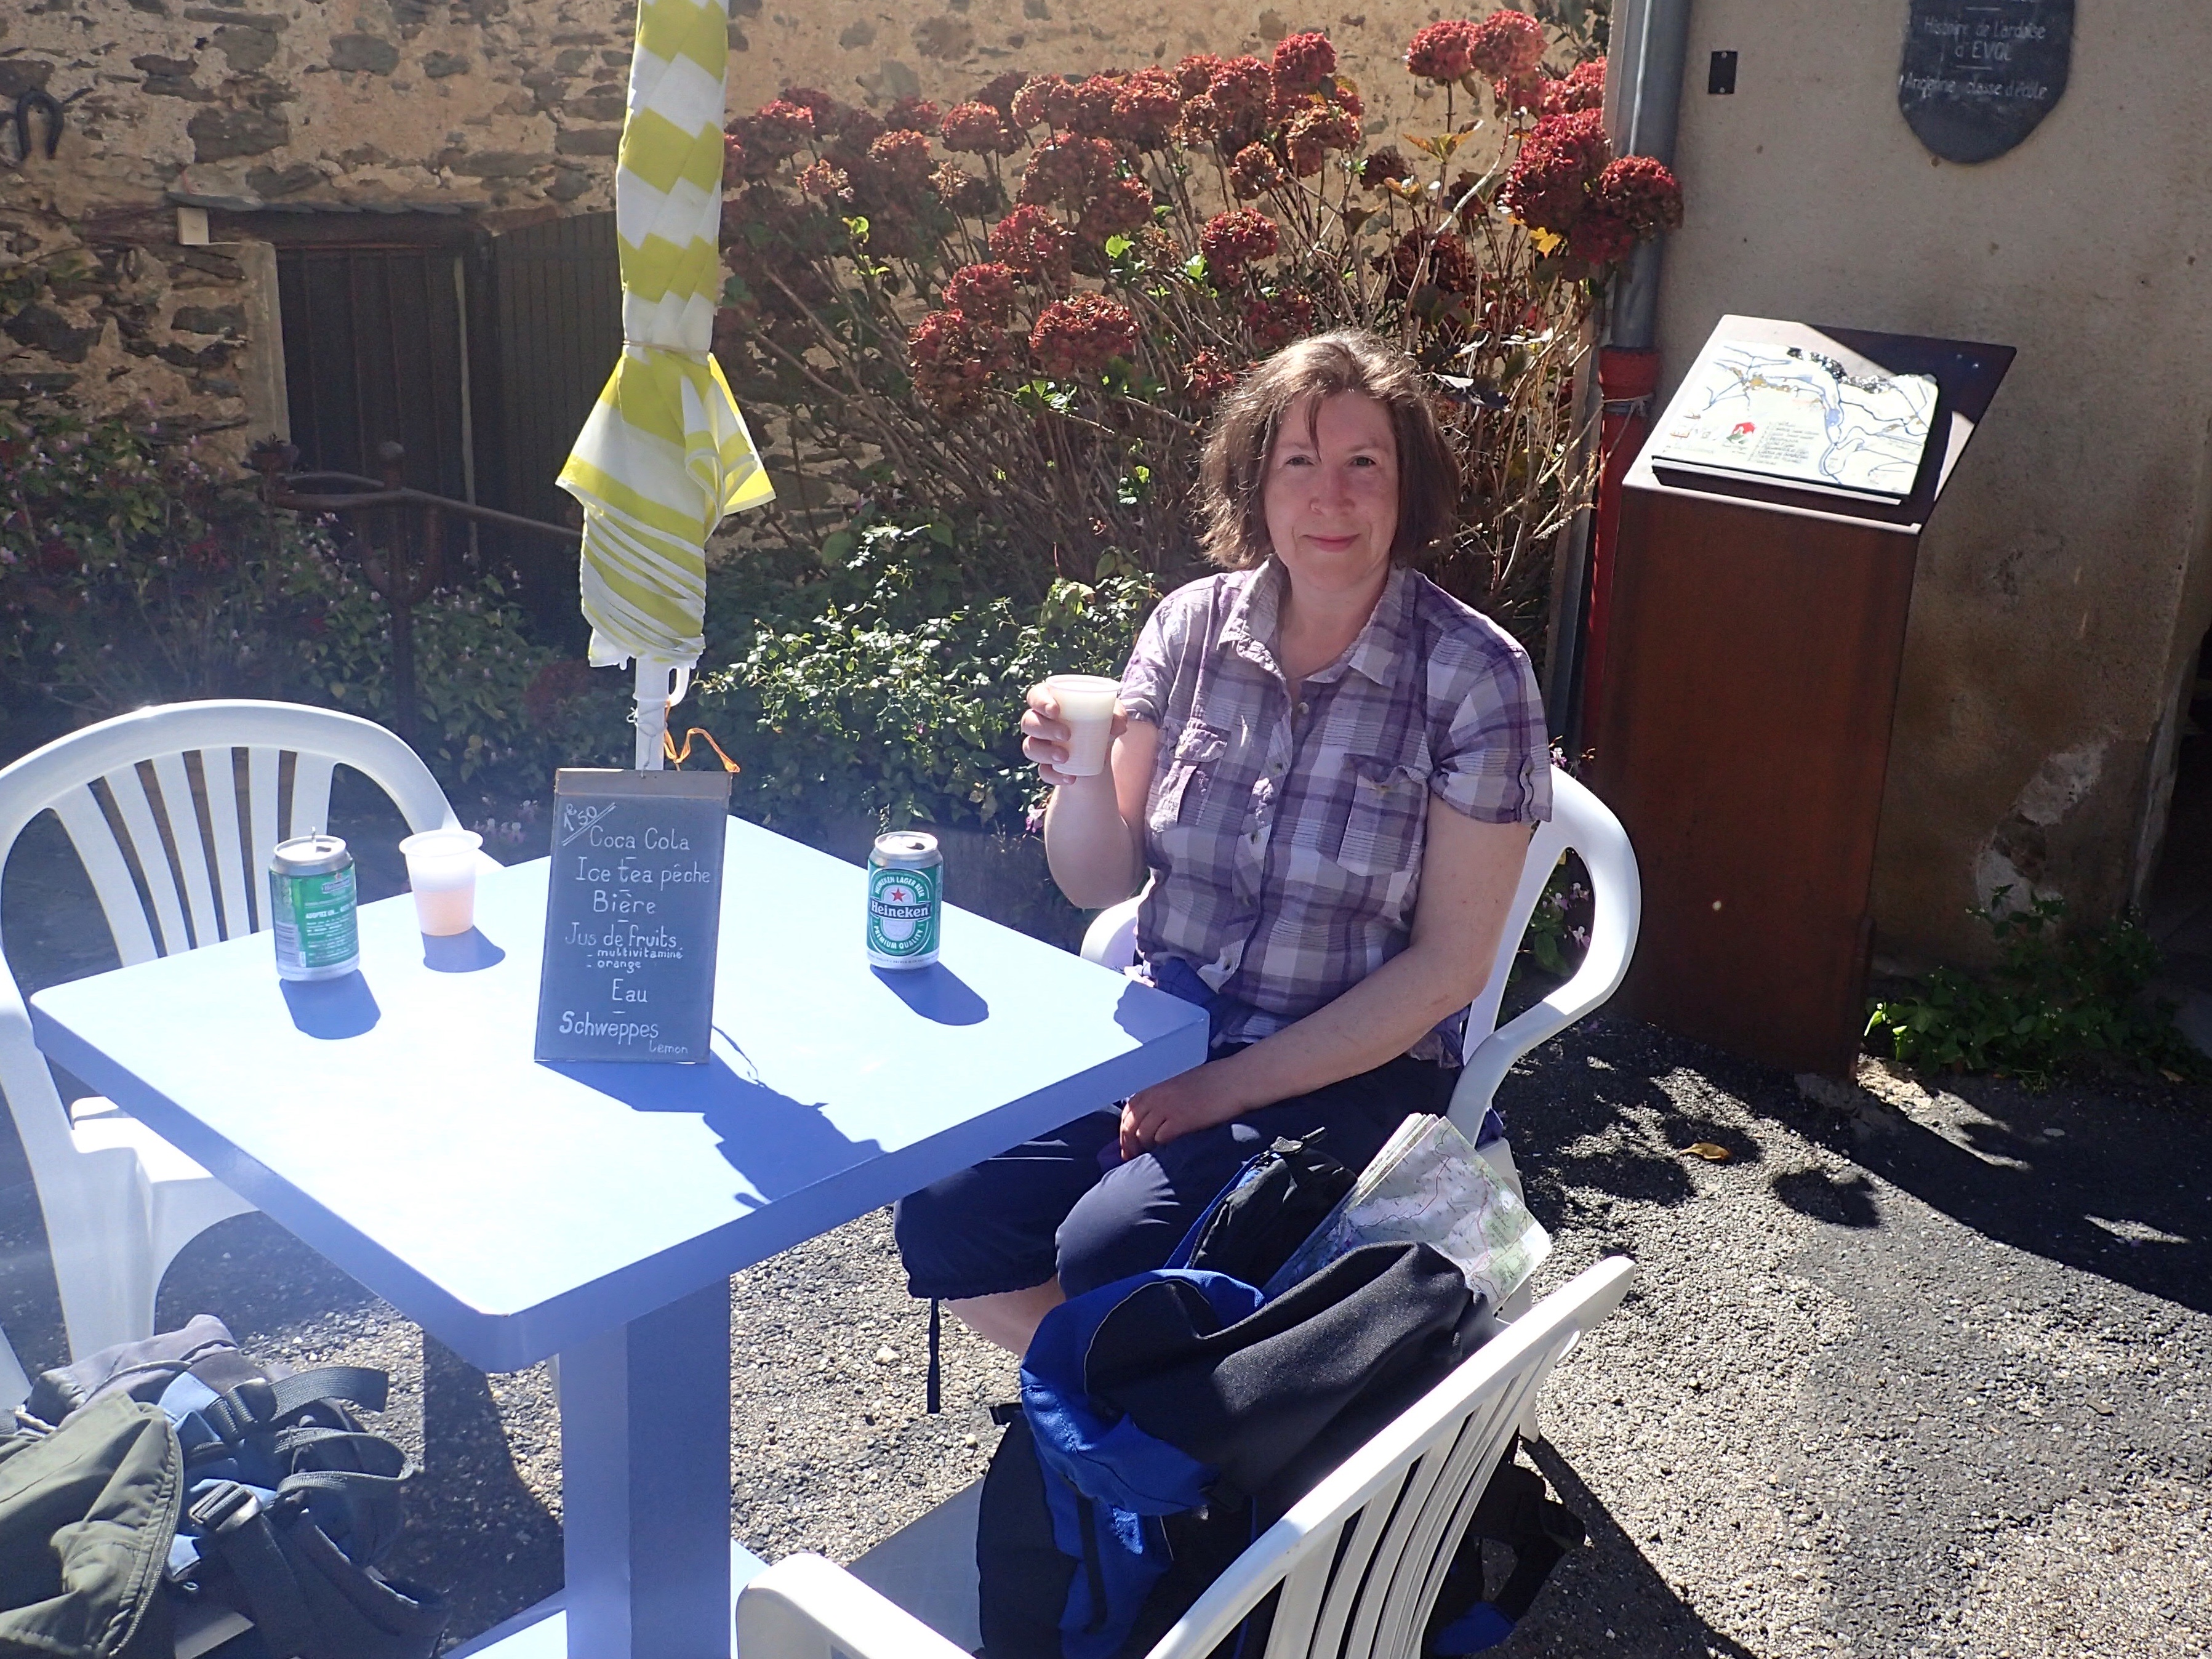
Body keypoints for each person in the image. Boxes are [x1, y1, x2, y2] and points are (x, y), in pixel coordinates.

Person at [895, 328, 1551, 1354]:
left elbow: (1448, 969)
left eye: (1362, 463)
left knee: (1113, 1249)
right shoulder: (1190, 628)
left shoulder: (1475, 675)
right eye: (1298, 462)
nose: (1328, 497)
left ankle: (1154, 1401)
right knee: (946, 1206)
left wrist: (1217, 1091)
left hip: (1354, 1067)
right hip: (1164, 1022)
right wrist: (1076, 775)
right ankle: (1123, 1402)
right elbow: (1097, 880)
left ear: (1406, 486)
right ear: (1256, 482)